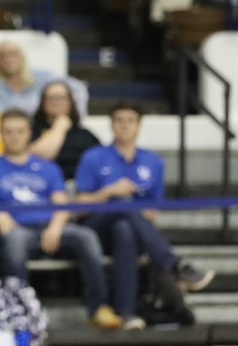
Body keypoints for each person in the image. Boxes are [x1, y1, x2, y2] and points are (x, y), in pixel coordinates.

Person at [0, 109, 119, 327]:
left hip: (52, 228)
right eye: (8, 131)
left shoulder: (48, 167)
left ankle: (99, 308)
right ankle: (20, 312)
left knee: (87, 236)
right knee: (15, 241)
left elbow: (62, 202)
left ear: (29, 134)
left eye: (19, 131)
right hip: (18, 228)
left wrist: (55, 227)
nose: (14, 136)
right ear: (1, 135)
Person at [74, 101, 214, 319]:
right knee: (122, 205)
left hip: (132, 229)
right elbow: (80, 207)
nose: (124, 126)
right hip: (95, 230)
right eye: (119, 121)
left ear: (139, 126)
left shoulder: (153, 162)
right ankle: (175, 265)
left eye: (130, 121)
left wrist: (134, 206)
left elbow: (152, 211)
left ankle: (126, 312)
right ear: (111, 125)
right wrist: (108, 192)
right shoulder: (93, 157)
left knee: (125, 230)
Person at [30, 80, 98, 180]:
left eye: (62, 98)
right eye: (51, 98)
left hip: (80, 188)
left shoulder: (85, 135)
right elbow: (35, 156)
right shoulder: (31, 131)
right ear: (43, 103)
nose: (56, 102)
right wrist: (60, 126)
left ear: (70, 102)